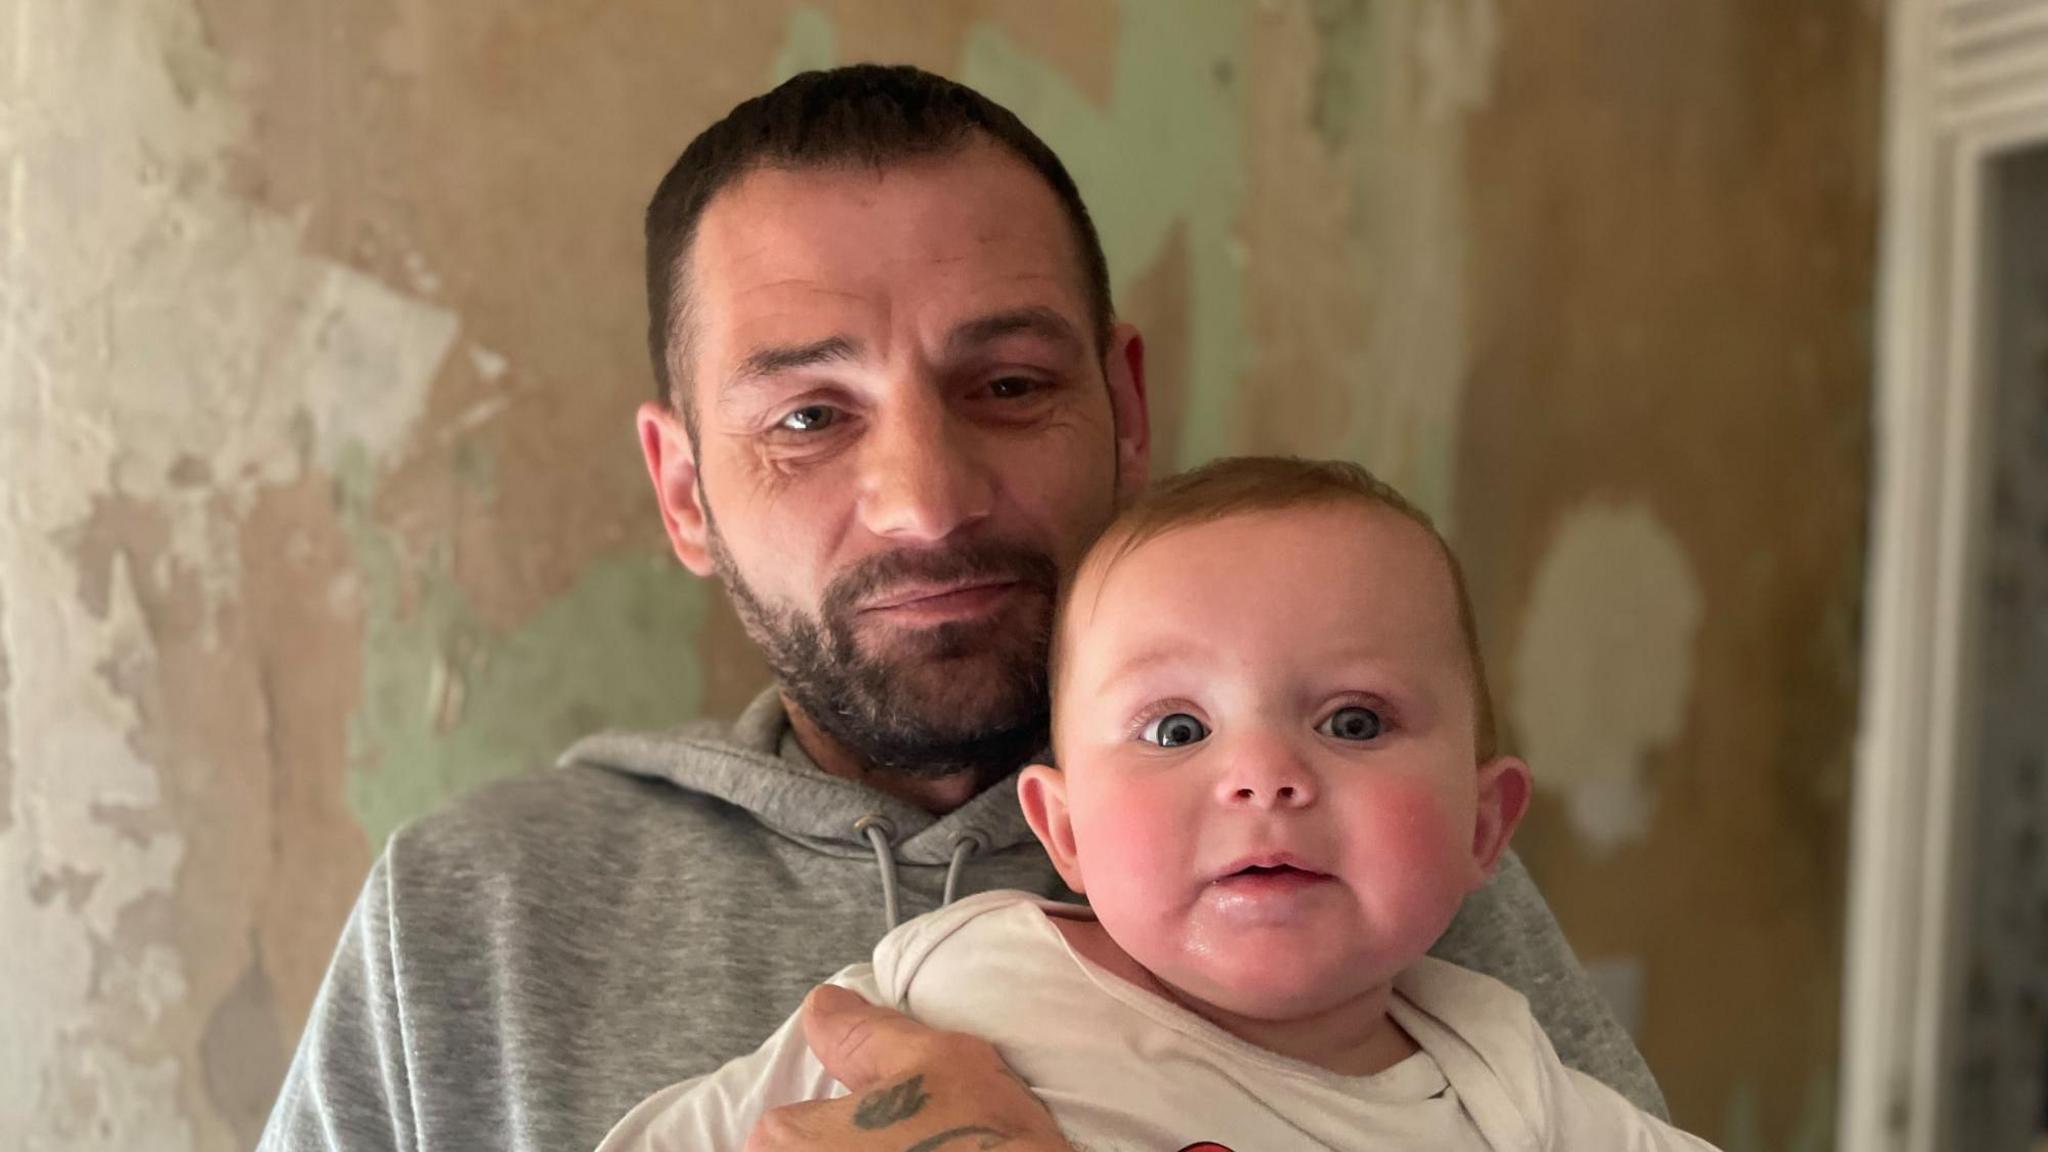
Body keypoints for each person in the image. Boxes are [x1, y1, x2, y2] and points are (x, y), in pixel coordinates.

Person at [257, 65, 1661, 1152]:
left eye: (1007, 386)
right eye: (810, 415)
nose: (927, 500)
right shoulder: (476, 913)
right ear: (683, 491)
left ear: (1122, 410)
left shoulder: (1364, 872)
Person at [592, 456, 1716, 1152]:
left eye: (1354, 721)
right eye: (1176, 729)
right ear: (1062, 829)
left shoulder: (1505, 1082)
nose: (1265, 775)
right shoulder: (964, 982)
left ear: (1483, 827)